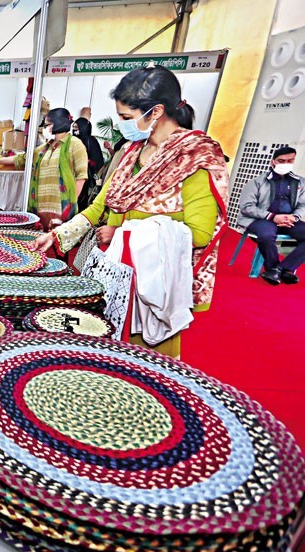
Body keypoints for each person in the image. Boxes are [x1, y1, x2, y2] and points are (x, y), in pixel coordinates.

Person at [33, 65, 228, 358]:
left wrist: (123, 233)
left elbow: (199, 234)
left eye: (126, 117)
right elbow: (101, 204)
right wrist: (58, 235)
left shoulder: (195, 158)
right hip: (115, 275)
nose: (123, 123)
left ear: (156, 111)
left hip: (153, 288)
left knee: (142, 366)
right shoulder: (131, 153)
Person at [0, 107, 88, 231]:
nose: (44, 129)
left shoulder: (75, 145)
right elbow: (20, 159)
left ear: (58, 124)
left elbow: (81, 177)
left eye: (47, 125)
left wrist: (69, 206)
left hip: (61, 210)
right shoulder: (44, 149)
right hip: (41, 210)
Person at [237, 146, 305, 285]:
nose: (285, 164)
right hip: (262, 219)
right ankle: (272, 268)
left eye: (290, 161)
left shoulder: (300, 182)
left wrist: (295, 217)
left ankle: (282, 269)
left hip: (288, 220)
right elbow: (246, 207)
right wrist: (273, 216)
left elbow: (303, 204)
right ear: (272, 162)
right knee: (266, 235)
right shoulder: (256, 182)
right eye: (281, 160)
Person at [72, 116, 104, 210]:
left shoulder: (90, 140)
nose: (74, 130)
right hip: (75, 173)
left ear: (83, 128)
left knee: (82, 197)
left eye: (77, 128)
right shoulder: (75, 140)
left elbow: (96, 160)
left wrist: (84, 160)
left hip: (86, 176)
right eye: (74, 127)